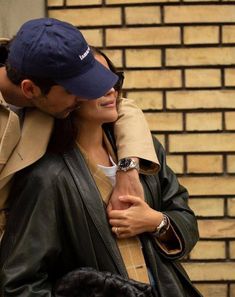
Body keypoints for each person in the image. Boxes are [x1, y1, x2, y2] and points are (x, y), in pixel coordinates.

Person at [0, 46, 202, 297]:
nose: (111, 89)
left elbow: (186, 217)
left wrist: (155, 222)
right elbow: (19, 281)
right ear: (69, 96)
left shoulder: (144, 152)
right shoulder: (47, 177)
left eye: (113, 79)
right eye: (95, 83)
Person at [0, 18, 159, 237]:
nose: (86, 97)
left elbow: (124, 107)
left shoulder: (45, 69)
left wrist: (128, 169)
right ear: (30, 89)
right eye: (73, 90)